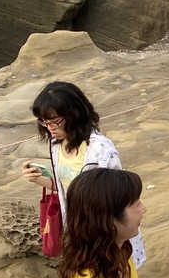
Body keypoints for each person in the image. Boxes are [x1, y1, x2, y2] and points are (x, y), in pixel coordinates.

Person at [22, 81, 146, 267]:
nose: (50, 128)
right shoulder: (56, 145)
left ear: (74, 114)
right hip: (77, 228)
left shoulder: (100, 149)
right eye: (43, 122)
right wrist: (39, 179)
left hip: (104, 230)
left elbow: (119, 197)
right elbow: (67, 187)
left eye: (55, 121)